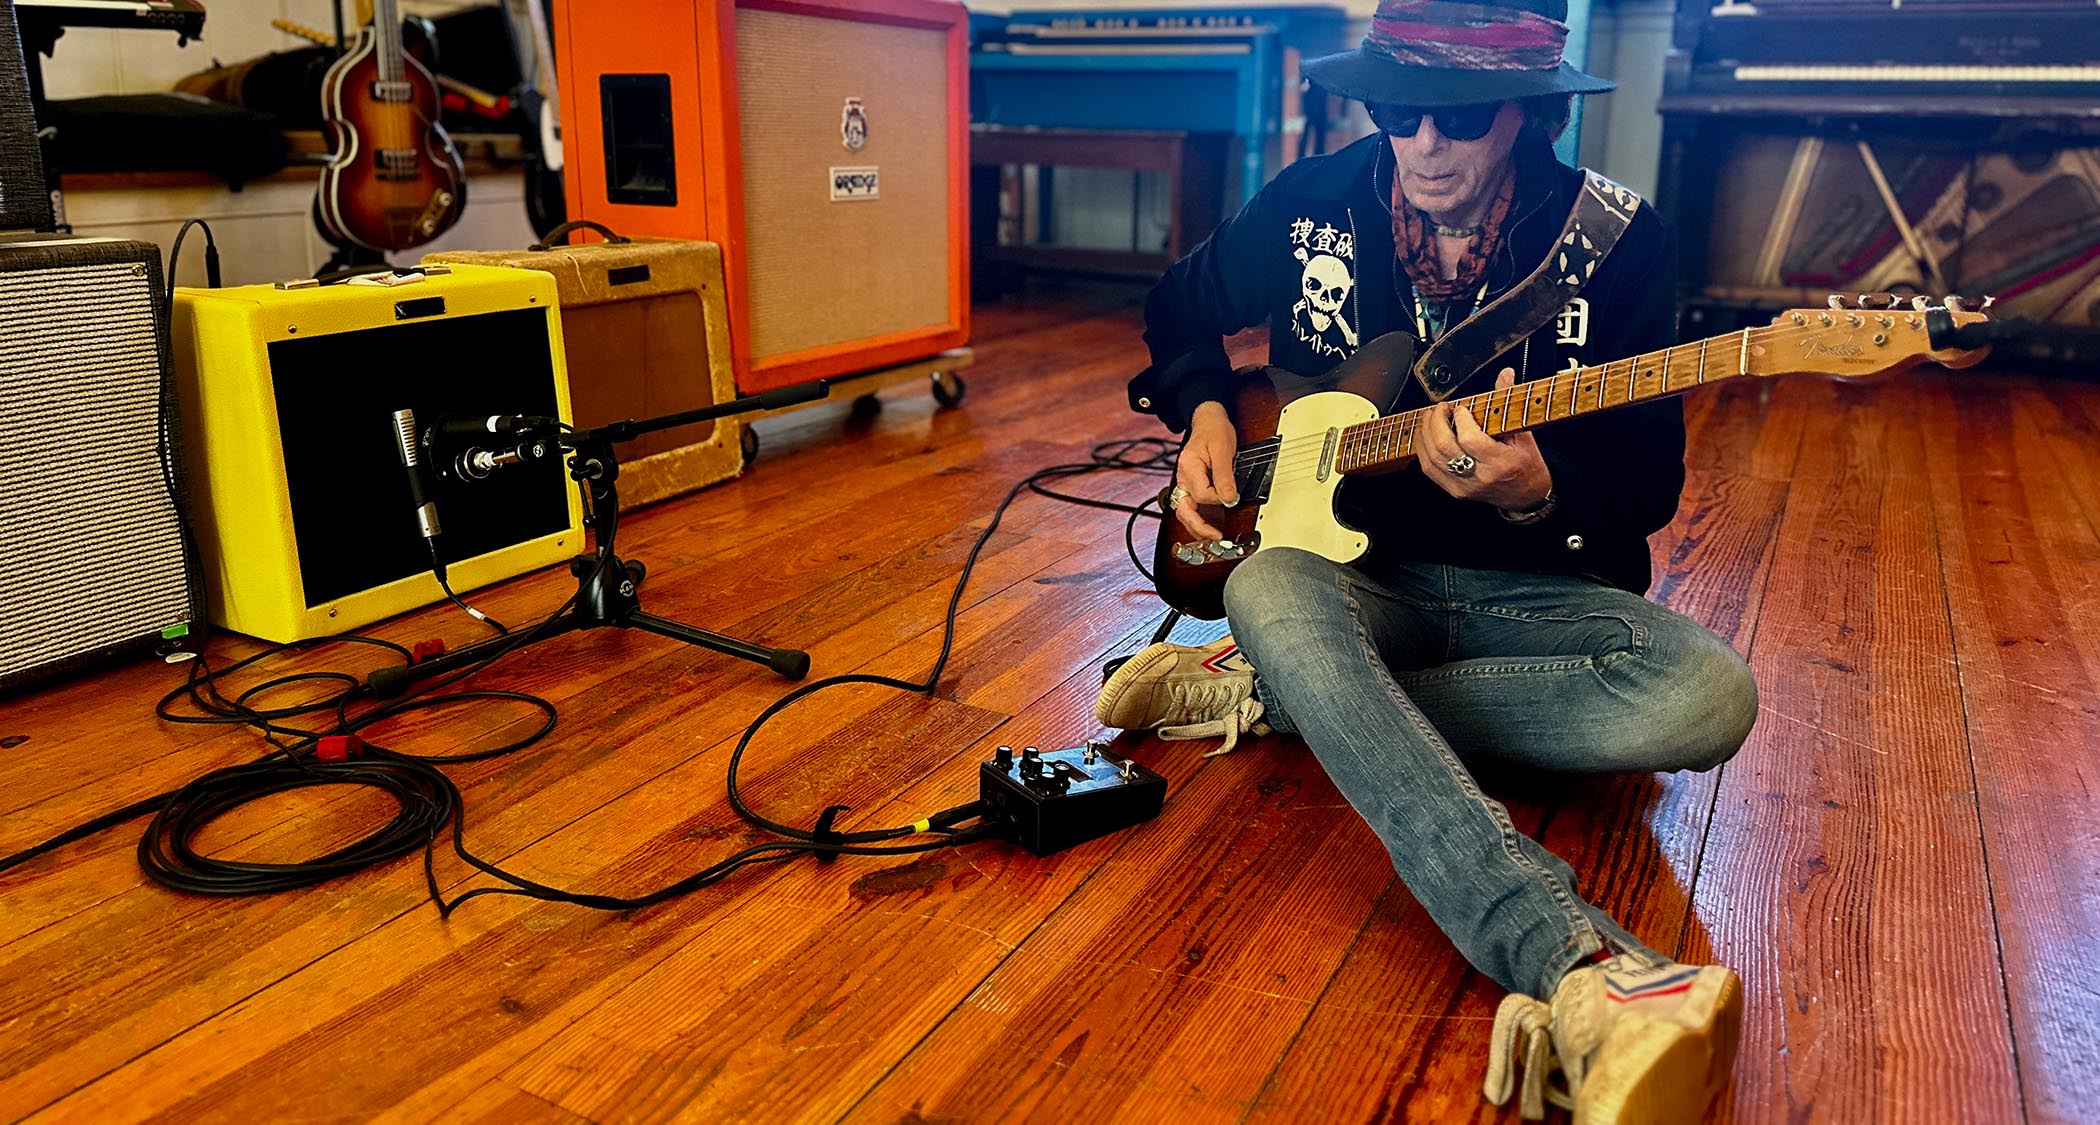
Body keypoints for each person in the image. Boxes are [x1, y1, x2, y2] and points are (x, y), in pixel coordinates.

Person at [1096, 1, 1761, 1121]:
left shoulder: (1619, 240)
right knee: (1262, 582)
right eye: (1396, 115)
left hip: (1534, 594)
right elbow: (1178, 305)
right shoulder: (1313, 199)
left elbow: (1648, 488)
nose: (1423, 148)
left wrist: (1539, 488)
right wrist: (1206, 410)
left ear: (1528, 113)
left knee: (1707, 700)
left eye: (1457, 120)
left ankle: (1288, 700)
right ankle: (1579, 969)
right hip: (1345, 582)